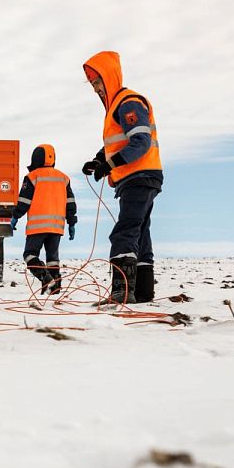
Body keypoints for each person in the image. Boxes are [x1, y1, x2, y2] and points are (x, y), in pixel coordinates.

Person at [81, 51, 163, 305]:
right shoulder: (115, 107)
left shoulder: (127, 102)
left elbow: (141, 141)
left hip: (139, 175)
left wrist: (111, 164)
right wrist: (99, 161)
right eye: (92, 84)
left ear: (109, 77)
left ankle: (122, 292)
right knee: (139, 232)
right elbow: (117, 144)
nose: (96, 89)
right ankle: (143, 292)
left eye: (97, 82)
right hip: (139, 177)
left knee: (125, 231)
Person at [10, 144, 77, 295]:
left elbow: (24, 202)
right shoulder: (64, 178)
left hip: (37, 227)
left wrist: (15, 217)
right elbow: (70, 202)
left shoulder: (33, 177)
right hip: (56, 227)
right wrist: (72, 222)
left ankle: (45, 278)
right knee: (53, 259)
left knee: (30, 255)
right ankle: (55, 288)